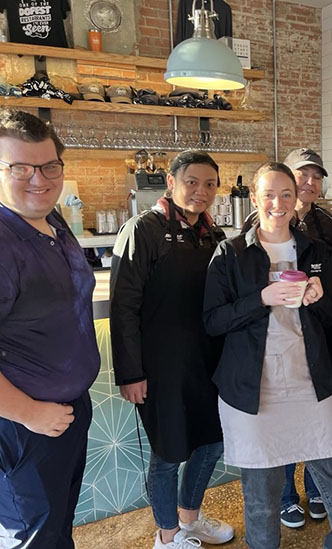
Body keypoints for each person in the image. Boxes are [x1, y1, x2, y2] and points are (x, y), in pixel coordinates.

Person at [203, 162, 332, 549]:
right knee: (262, 498)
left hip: (310, 384)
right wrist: (260, 299)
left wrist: (316, 299)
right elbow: (213, 320)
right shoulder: (229, 254)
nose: (277, 203)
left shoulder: (315, 249)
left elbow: (331, 316)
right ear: (254, 198)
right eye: (268, 194)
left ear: (296, 200)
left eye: (286, 194)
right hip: (252, 392)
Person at [110, 151, 234, 549]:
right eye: (192, 182)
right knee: (167, 453)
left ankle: (190, 521)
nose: (201, 192)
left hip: (207, 363)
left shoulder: (213, 234)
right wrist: (130, 373)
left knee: (211, 442)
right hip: (161, 367)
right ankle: (166, 536)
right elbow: (123, 306)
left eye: (210, 184)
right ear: (171, 181)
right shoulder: (143, 230)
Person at [0, 109, 100, 548]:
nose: (38, 179)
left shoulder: (53, 221)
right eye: (20, 167)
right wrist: (28, 413)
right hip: (25, 425)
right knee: (33, 537)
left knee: (56, 528)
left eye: (49, 166)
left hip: (63, 414)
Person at [242, 148, 332, 528]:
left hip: (314, 348)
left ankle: (315, 490)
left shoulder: (324, 232)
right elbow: (222, 313)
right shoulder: (242, 244)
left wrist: (319, 298)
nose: (308, 184)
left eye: (315, 177)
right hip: (265, 356)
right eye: (302, 177)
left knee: (314, 429)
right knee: (279, 428)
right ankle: (285, 496)